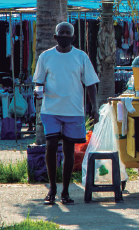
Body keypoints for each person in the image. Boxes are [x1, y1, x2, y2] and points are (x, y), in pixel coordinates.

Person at [34, 22, 99, 205]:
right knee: (51, 145)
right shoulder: (46, 57)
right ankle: (52, 189)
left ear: (73, 37)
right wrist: (37, 92)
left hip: (74, 111)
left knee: (69, 150)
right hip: (51, 110)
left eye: (67, 33)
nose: (64, 36)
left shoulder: (81, 56)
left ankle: (65, 191)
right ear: (55, 37)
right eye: (61, 33)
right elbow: (38, 82)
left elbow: (91, 83)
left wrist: (94, 107)